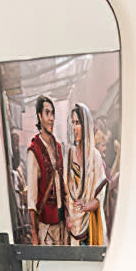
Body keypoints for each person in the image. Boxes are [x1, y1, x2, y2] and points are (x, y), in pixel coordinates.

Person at [21, 96, 69, 246]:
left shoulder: (59, 148)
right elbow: (32, 198)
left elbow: (64, 185)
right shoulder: (34, 151)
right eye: (47, 113)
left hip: (61, 224)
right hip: (45, 226)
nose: (51, 118)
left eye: (53, 113)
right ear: (39, 116)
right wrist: (34, 234)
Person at [68, 102, 109, 246]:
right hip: (74, 224)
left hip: (92, 223)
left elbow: (100, 195)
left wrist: (85, 206)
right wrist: (70, 215)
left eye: (78, 123)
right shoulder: (70, 154)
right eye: (73, 123)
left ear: (85, 125)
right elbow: (67, 190)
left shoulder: (95, 157)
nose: (74, 128)